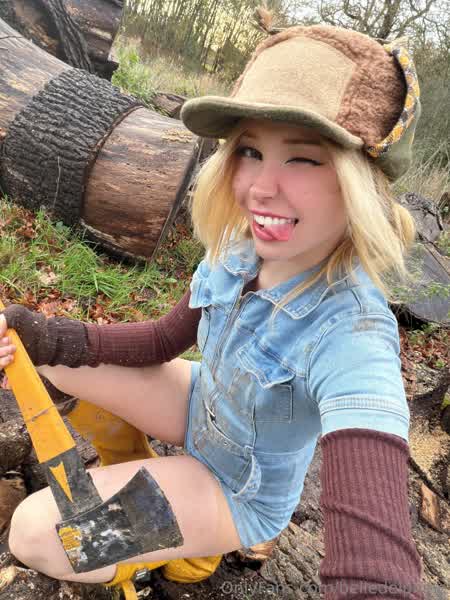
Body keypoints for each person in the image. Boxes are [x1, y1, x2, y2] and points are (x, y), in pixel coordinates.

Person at [0, 14, 426, 599]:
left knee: (36, 534)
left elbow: (374, 551)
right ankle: (136, 469)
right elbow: (161, 341)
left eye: (303, 158)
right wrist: (40, 333)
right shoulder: (240, 248)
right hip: (201, 404)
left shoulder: (354, 334)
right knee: (40, 358)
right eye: (250, 151)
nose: (259, 188)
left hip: (234, 492)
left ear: (358, 182)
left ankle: (189, 544)